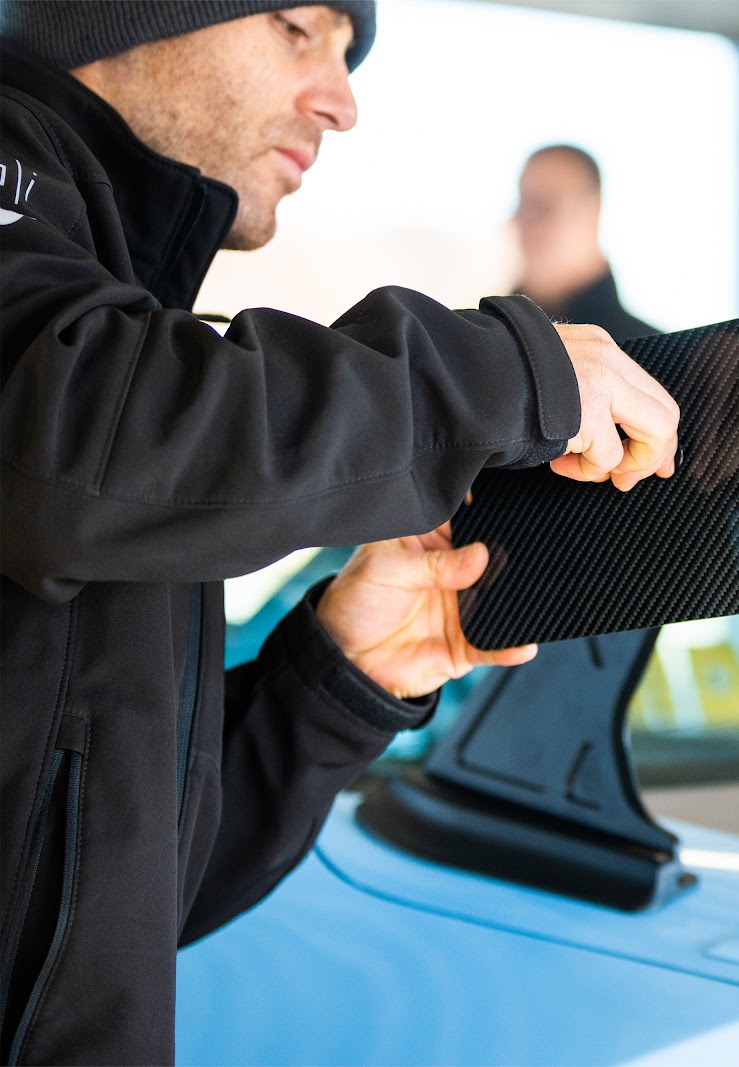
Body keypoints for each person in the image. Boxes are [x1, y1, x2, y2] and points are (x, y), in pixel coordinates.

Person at [0, 4, 680, 1063]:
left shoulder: (121, 326)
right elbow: (69, 435)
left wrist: (336, 678)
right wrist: (497, 372)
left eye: (349, 55)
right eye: (297, 28)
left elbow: (109, 909)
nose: (342, 99)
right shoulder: (84, 342)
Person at [513, 143, 657, 341]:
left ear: (593, 211)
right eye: (523, 202)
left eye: (546, 205)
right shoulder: (487, 339)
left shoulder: (647, 355)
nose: (527, 219)